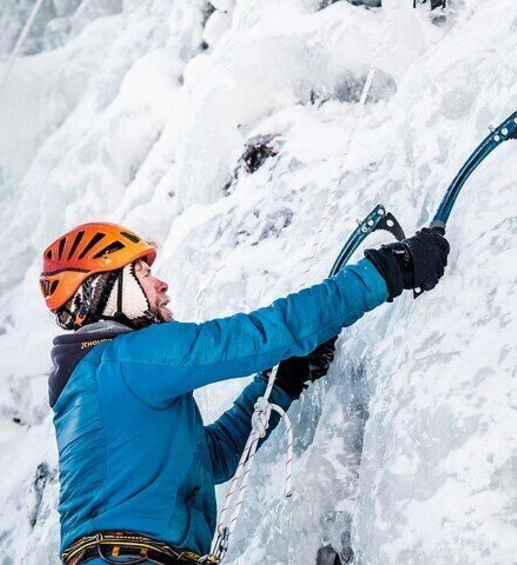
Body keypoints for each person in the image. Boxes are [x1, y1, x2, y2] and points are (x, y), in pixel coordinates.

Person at [40, 221, 449, 564]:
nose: (161, 284)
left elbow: (213, 458)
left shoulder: (101, 383)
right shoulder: (125, 359)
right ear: (109, 290)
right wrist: (387, 271)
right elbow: (260, 335)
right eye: (144, 275)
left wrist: (286, 379)